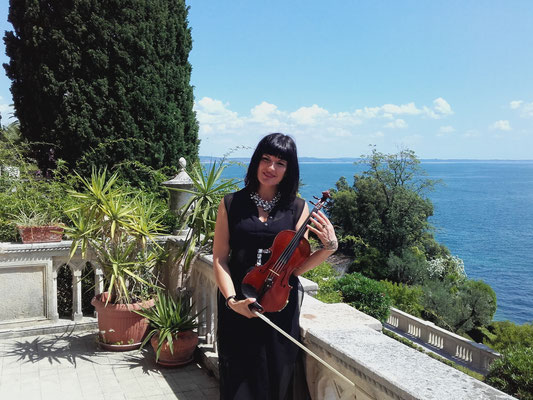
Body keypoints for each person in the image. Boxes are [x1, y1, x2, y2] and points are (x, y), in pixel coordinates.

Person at [213, 133, 338, 400]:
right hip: (238, 302)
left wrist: (329, 248)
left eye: (280, 163)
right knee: (238, 381)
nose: (271, 168)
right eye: (266, 159)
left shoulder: (298, 208)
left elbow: (295, 268)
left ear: (289, 169)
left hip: (278, 304)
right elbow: (219, 258)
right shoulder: (230, 203)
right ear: (256, 161)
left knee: (276, 379)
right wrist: (233, 300)